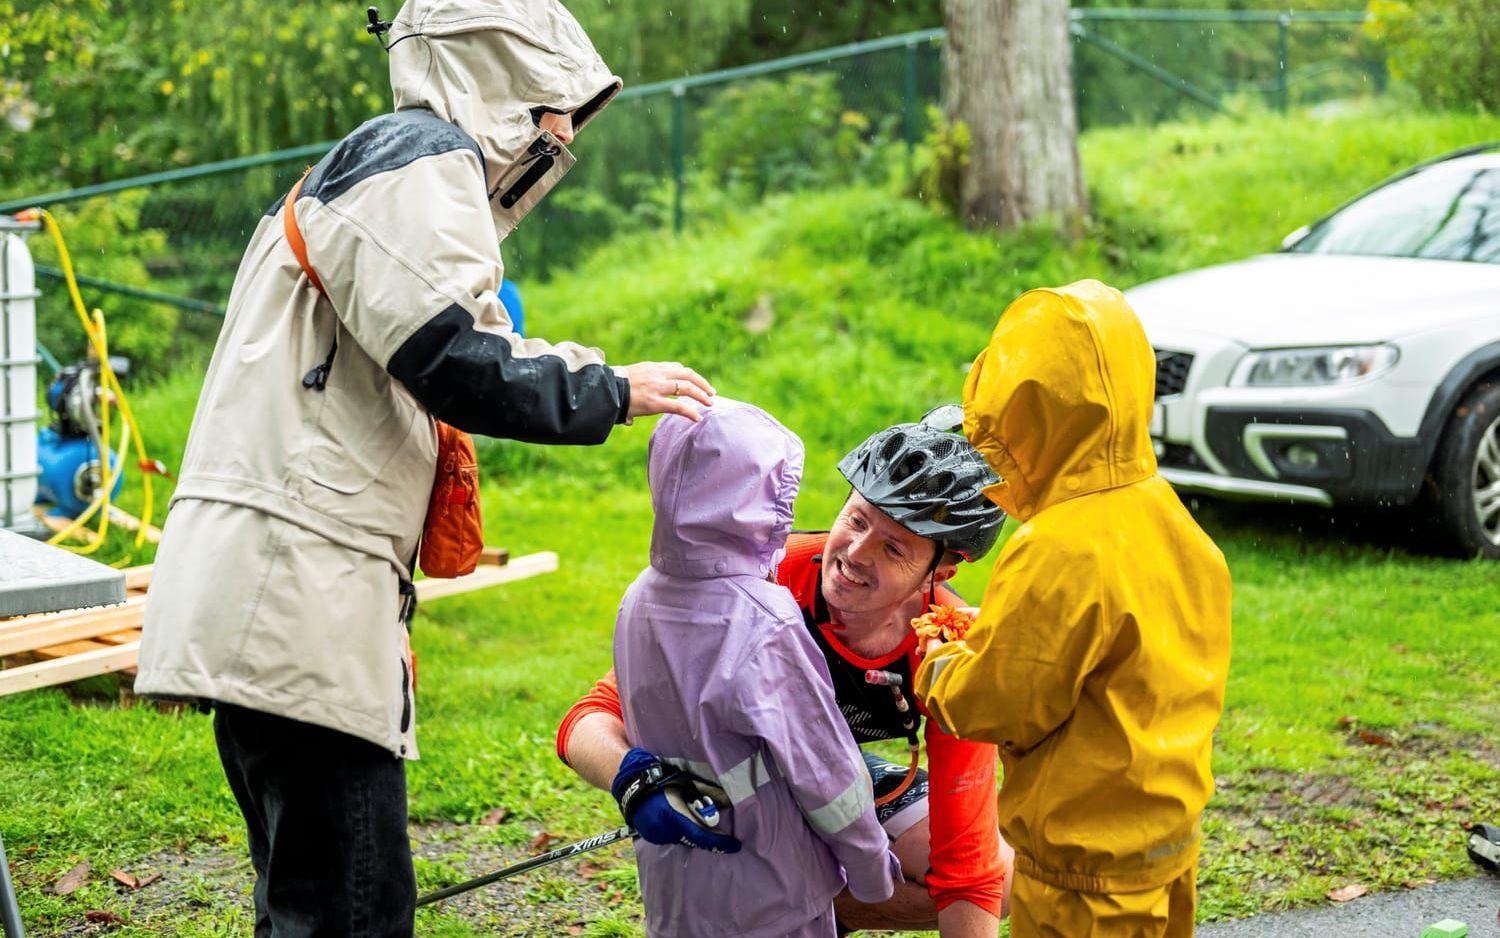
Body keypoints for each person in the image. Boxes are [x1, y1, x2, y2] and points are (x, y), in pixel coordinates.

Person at [135, 1, 712, 934]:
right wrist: (611, 389)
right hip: (300, 591)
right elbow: (453, 355)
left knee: (308, 898)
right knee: (353, 908)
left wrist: (581, 371)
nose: (565, 134)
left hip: (279, 583)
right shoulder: (419, 159)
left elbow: (457, 336)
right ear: (501, 77)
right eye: (556, 102)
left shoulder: (381, 170)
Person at [559, 414, 1015, 936]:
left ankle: (818, 904)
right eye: (857, 521)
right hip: (746, 775)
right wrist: (634, 779)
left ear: (941, 572)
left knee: (1005, 884)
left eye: (893, 548)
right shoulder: (762, 584)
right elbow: (589, 718)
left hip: (841, 772)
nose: (855, 556)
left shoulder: (947, 647)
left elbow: (969, 865)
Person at [914, 280, 1233, 938]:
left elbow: (998, 700)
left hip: (1082, 883)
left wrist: (939, 660)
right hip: (1163, 848)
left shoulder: (1060, 547)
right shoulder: (1166, 516)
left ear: (1025, 409)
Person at [614, 399, 899, 937]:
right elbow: (824, 770)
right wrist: (871, 870)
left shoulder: (638, 598)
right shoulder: (765, 621)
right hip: (774, 889)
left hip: (674, 884)